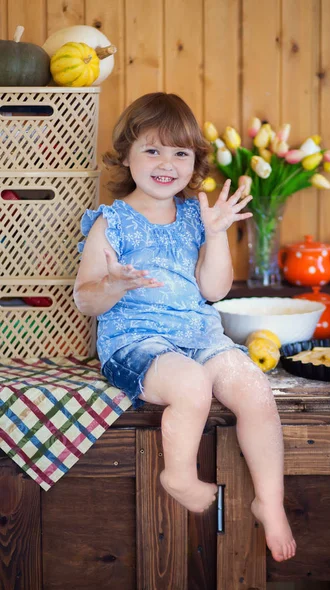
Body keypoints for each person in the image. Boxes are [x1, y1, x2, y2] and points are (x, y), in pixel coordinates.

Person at [73, 92, 296, 562]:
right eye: (152, 149)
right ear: (126, 155)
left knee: (254, 388)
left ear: (194, 160)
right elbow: (85, 299)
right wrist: (112, 284)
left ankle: (270, 501)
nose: (166, 162)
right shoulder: (110, 223)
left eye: (180, 152)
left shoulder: (199, 216)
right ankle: (177, 474)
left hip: (199, 336)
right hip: (136, 344)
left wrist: (215, 236)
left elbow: (214, 291)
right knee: (192, 385)